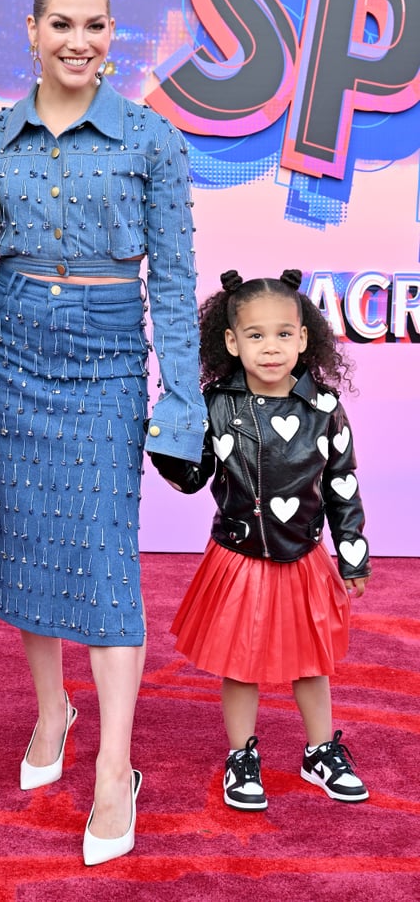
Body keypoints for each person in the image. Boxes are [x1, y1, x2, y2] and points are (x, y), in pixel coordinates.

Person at [0, 0, 205, 865]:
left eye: (95, 26)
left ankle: (114, 768)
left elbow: (174, 284)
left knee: (104, 557)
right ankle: (50, 709)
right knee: (31, 541)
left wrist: (184, 403)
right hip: (15, 356)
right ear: (30, 32)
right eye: (60, 24)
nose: (78, 42)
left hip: (105, 363)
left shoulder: (152, 140)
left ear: (113, 36)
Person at [152, 269, 371, 812]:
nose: (270, 348)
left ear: (303, 338)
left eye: (282, 334)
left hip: (302, 558)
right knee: (240, 662)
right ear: (232, 341)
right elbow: (193, 479)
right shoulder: (216, 404)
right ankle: (241, 755)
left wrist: (352, 553)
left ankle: (320, 750)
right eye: (255, 335)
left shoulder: (323, 408)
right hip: (238, 556)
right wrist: (163, 445)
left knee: (311, 660)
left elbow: (343, 486)